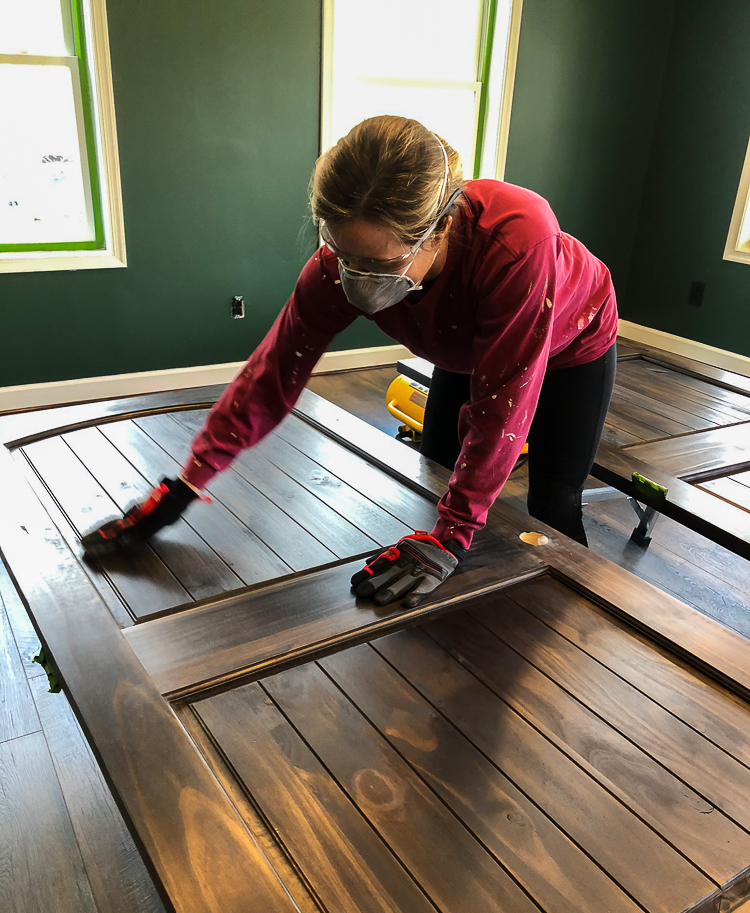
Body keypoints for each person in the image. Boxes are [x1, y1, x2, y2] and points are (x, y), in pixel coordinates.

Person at [82, 115, 618, 608]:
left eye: (378, 263)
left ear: (439, 231)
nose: (355, 276)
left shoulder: (516, 242)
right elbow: (273, 372)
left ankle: (569, 618)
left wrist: (453, 537)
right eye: (343, 255)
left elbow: (502, 407)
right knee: (437, 475)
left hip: (571, 345)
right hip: (462, 344)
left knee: (552, 497)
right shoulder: (334, 267)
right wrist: (189, 482)